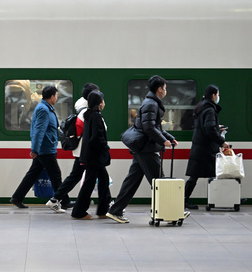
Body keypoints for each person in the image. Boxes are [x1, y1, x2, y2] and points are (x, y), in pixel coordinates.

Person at [106, 75, 181, 223]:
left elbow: (156, 127)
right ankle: (170, 212)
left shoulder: (151, 103)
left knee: (132, 181)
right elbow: (149, 128)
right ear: (159, 89)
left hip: (143, 148)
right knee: (160, 181)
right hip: (146, 149)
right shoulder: (151, 104)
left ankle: (115, 210)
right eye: (165, 88)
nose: (166, 91)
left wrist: (169, 137)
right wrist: (163, 140)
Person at [45, 83, 100, 213]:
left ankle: (54, 199)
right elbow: (83, 132)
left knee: (76, 176)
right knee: (98, 177)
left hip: (82, 151)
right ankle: (107, 206)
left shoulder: (83, 109)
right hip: (85, 151)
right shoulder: (86, 113)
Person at [10, 86, 64, 209]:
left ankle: (17, 197)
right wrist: (35, 149)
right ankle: (63, 200)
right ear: (52, 97)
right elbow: (38, 131)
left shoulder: (46, 108)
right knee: (56, 175)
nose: (56, 98)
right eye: (56, 96)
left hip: (45, 147)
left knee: (33, 174)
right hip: (45, 149)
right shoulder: (44, 110)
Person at [185, 85, 229, 209]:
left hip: (200, 147)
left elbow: (206, 126)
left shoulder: (202, 107)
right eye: (218, 94)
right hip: (205, 148)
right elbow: (209, 129)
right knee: (216, 173)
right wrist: (221, 141)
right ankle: (225, 198)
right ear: (214, 95)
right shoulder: (210, 109)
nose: (218, 97)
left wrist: (216, 127)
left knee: (196, 176)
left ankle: (184, 199)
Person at [71, 91, 112, 220]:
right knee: (90, 183)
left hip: (90, 156)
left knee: (102, 180)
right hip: (94, 157)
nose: (104, 103)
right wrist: (105, 147)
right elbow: (96, 138)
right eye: (103, 101)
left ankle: (102, 210)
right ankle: (79, 211)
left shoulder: (88, 115)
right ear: (100, 103)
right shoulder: (96, 117)